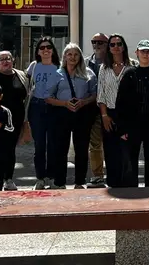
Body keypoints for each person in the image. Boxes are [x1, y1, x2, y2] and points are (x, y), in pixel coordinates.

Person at [116, 40, 149, 204]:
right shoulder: (129, 73)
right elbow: (121, 102)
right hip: (133, 124)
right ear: (137, 53)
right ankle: (131, 193)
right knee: (130, 160)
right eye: (143, 51)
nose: (146, 54)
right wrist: (122, 128)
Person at [46, 43, 98, 189]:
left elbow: (94, 94)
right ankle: (60, 182)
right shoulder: (57, 74)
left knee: (81, 149)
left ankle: (80, 182)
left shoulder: (88, 73)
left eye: (76, 54)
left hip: (82, 113)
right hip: (62, 113)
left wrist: (84, 102)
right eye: (69, 54)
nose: (73, 57)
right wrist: (64, 103)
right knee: (60, 149)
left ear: (80, 57)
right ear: (65, 57)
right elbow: (48, 97)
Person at [0, 50, 29, 191]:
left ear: (13, 61)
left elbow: (27, 98)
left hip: (15, 119)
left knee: (10, 150)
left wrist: (25, 123)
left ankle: (8, 179)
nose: (5, 61)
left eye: (8, 58)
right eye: (2, 59)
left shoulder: (22, 76)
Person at [97, 34, 134, 188]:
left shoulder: (133, 66)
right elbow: (101, 94)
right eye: (112, 44)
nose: (116, 47)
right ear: (109, 48)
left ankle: (128, 185)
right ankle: (113, 184)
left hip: (128, 115)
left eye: (119, 43)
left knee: (128, 152)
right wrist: (104, 116)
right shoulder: (104, 68)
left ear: (124, 46)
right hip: (109, 113)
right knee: (111, 151)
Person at [25, 37, 61, 190]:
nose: (45, 50)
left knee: (53, 144)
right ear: (38, 51)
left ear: (53, 50)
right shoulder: (34, 66)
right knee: (39, 145)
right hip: (37, 107)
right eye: (42, 48)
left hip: (53, 107)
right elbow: (27, 84)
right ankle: (40, 178)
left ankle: (51, 177)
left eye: (48, 47)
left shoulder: (59, 66)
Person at [85, 33, 109, 188]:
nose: (97, 44)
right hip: (91, 110)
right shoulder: (85, 63)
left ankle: (114, 173)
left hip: (111, 109)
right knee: (95, 145)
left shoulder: (113, 62)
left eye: (101, 42)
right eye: (94, 42)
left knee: (112, 144)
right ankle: (98, 175)